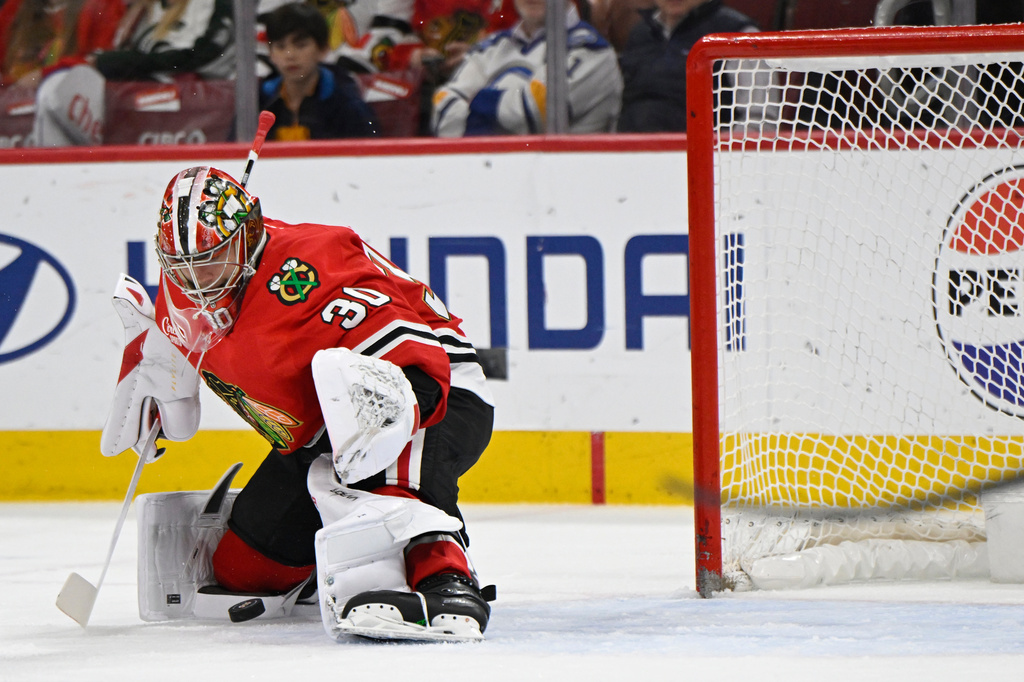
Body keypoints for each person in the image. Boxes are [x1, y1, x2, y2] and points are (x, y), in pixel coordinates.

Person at [103, 163, 496, 641]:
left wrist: (368, 482)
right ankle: (332, 563)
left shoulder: (310, 268)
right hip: (322, 430)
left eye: (211, 260)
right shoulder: (182, 288)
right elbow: (184, 346)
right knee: (243, 571)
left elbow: (415, 373)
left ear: (248, 238)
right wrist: (159, 390)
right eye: (180, 265)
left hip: (433, 395)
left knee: (381, 478)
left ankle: (446, 582)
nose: (197, 280)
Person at [29, 0, 235, 145]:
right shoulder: (140, 11)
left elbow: (193, 58)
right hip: (139, 102)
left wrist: (112, 62)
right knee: (57, 86)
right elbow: (117, 53)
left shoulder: (214, 5)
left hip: (195, 106)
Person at [431, 0, 622, 136]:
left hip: (566, 185)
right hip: (486, 179)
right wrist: (507, 109)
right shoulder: (491, 47)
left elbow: (535, 112)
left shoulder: (593, 53)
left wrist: (475, 103)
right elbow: (442, 110)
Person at [616, 0, 759, 133]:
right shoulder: (639, 34)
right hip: (630, 153)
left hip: (706, 156)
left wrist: (719, 155)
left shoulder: (738, 36)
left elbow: (759, 121)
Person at [260, 2, 378, 140]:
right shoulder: (259, 101)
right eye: (280, 47)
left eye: (300, 45)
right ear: (271, 53)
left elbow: (369, 156)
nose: (289, 55)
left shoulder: (347, 103)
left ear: (323, 49)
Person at [0, 0, 123, 89]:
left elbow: (98, 64)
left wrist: (44, 74)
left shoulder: (104, 6)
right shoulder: (15, 7)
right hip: (14, 114)